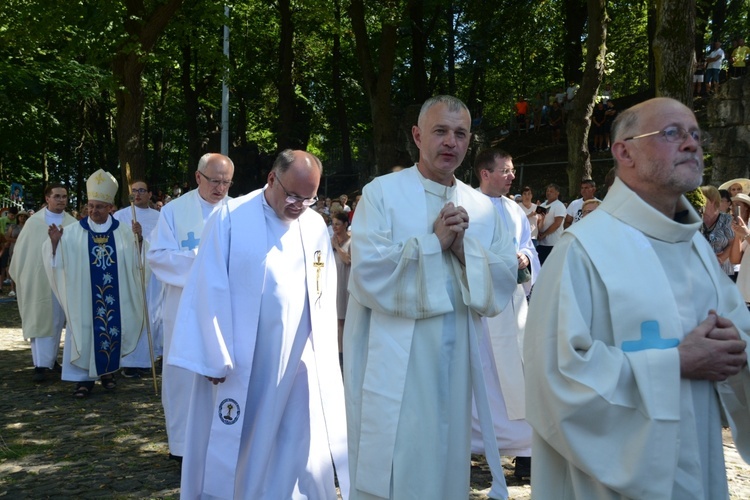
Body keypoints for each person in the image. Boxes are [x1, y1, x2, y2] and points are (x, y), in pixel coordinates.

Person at [524, 97, 750, 499]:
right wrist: (675, 362)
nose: (691, 144)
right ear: (623, 151)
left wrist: (737, 351)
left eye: (695, 134)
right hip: (609, 482)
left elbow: (738, 338)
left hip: (698, 458)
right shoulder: (582, 251)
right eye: (671, 133)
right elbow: (554, 377)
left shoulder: (695, 248)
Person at [344, 95, 517, 500]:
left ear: (469, 141)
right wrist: (433, 242)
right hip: (394, 358)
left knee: (445, 452)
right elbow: (368, 270)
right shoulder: (382, 193)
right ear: (418, 136)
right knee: (399, 456)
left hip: (454, 360)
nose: (450, 142)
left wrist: (462, 250)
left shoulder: (483, 206)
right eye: (440, 131)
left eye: (460, 134)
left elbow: (505, 276)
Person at [168, 149, 348, 499]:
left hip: (297, 359)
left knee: (294, 439)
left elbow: (322, 289)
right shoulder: (231, 218)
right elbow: (208, 284)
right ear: (271, 179)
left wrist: (325, 351)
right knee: (240, 440)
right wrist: (213, 353)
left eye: (309, 199)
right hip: (242, 360)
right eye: (293, 196)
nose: (299, 206)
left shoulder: (312, 225)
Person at [146, 153, 234, 463]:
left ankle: (219, 444)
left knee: (220, 374)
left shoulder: (238, 212)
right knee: (183, 376)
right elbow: (157, 256)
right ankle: (181, 447)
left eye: (226, 182)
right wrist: (202, 262)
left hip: (224, 311)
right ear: (198, 177)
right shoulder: (173, 212)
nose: (220, 188)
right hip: (183, 307)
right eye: (215, 181)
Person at [44, 169, 146, 398]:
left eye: (99, 206)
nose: (93, 211)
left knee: (110, 329)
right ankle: (82, 381)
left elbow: (138, 263)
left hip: (113, 297)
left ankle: (108, 372)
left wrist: (139, 241)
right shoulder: (71, 232)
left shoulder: (122, 232)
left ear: (110, 208)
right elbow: (58, 262)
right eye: (90, 206)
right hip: (83, 297)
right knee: (84, 331)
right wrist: (54, 244)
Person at [472, 148, 540, 481]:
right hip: (479, 309)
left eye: (512, 170)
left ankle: (525, 453)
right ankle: (469, 448)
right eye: (506, 170)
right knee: (478, 378)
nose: (512, 176)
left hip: (512, 306)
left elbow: (528, 245)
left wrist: (526, 259)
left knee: (521, 379)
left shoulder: (514, 209)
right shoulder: (466, 206)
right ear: (485, 173)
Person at [9, 185, 77, 381]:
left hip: (62, 279)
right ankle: (40, 364)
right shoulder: (34, 223)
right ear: (47, 198)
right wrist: (24, 276)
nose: (61, 200)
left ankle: (52, 359)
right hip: (37, 280)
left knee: (57, 320)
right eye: (57, 196)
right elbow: (23, 253)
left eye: (64, 197)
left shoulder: (72, 224)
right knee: (39, 319)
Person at [113, 180, 162, 378]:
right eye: (134, 191)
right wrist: (135, 240)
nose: (138, 194)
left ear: (150, 194)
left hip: (154, 275)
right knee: (132, 314)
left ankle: (149, 358)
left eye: (142, 190)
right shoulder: (120, 216)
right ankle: (130, 361)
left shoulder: (161, 217)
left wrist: (143, 240)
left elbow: (163, 242)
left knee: (152, 315)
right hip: (129, 273)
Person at [331, 210, 351, 368]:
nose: (334, 227)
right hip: (334, 284)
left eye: (338, 224)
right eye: (333, 224)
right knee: (338, 320)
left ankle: (346, 352)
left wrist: (337, 247)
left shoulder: (352, 242)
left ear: (345, 224)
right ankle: (339, 352)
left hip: (347, 284)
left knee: (346, 320)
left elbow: (347, 260)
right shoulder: (329, 240)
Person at [536, 183, 566, 264]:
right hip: (540, 242)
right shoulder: (542, 205)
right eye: (547, 191)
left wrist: (545, 234)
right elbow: (537, 220)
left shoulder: (559, 206)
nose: (548, 193)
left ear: (557, 193)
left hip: (553, 243)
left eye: (551, 191)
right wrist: (538, 233)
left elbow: (557, 223)